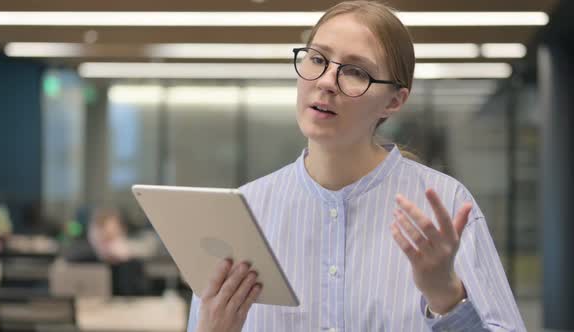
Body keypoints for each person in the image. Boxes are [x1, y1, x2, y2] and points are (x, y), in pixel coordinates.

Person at [187, 1, 526, 331]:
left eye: (355, 71)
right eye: (317, 58)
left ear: (393, 101)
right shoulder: (246, 212)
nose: (326, 81)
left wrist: (447, 298)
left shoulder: (444, 206)